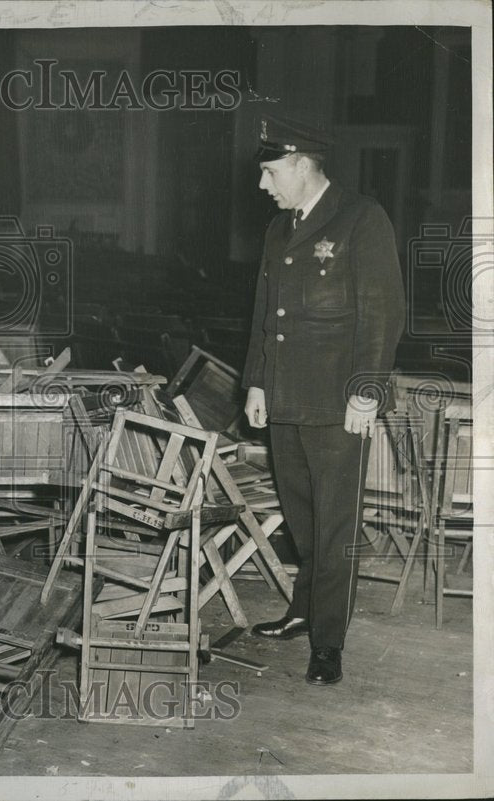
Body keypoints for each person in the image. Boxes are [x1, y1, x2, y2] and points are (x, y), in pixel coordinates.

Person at [242, 114, 406, 685]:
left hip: (339, 403)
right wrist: (258, 382)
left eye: (269, 171)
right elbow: (266, 314)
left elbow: (383, 314)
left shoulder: (362, 218)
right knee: (301, 517)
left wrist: (366, 391)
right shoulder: (278, 229)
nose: (263, 184)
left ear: (301, 164)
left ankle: (328, 642)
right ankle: (303, 611)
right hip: (285, 396)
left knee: (335, 526)